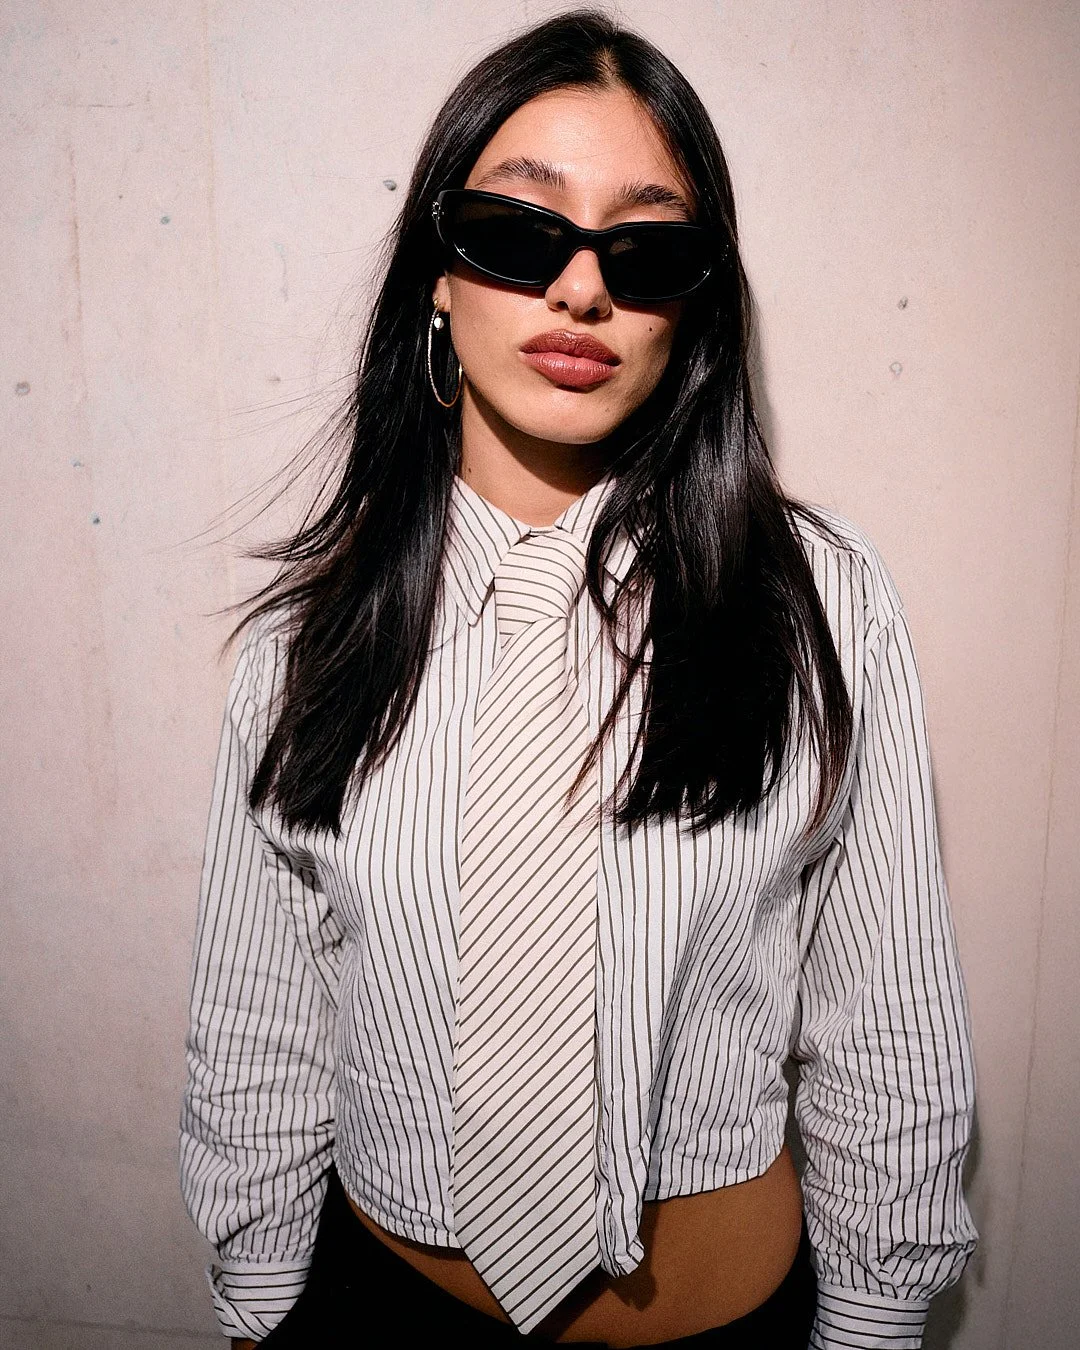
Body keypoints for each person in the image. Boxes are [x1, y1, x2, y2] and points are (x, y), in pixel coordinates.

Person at [179, 10, 978, 1349]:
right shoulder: (309, 638)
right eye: (518, 231)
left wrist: (876, 1322)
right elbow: (257, 1030)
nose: (581, 289)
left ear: (694, 306)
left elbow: (884, 1027)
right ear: (436, 275)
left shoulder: (821, 606)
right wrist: (262, 1314)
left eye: (645, 249)